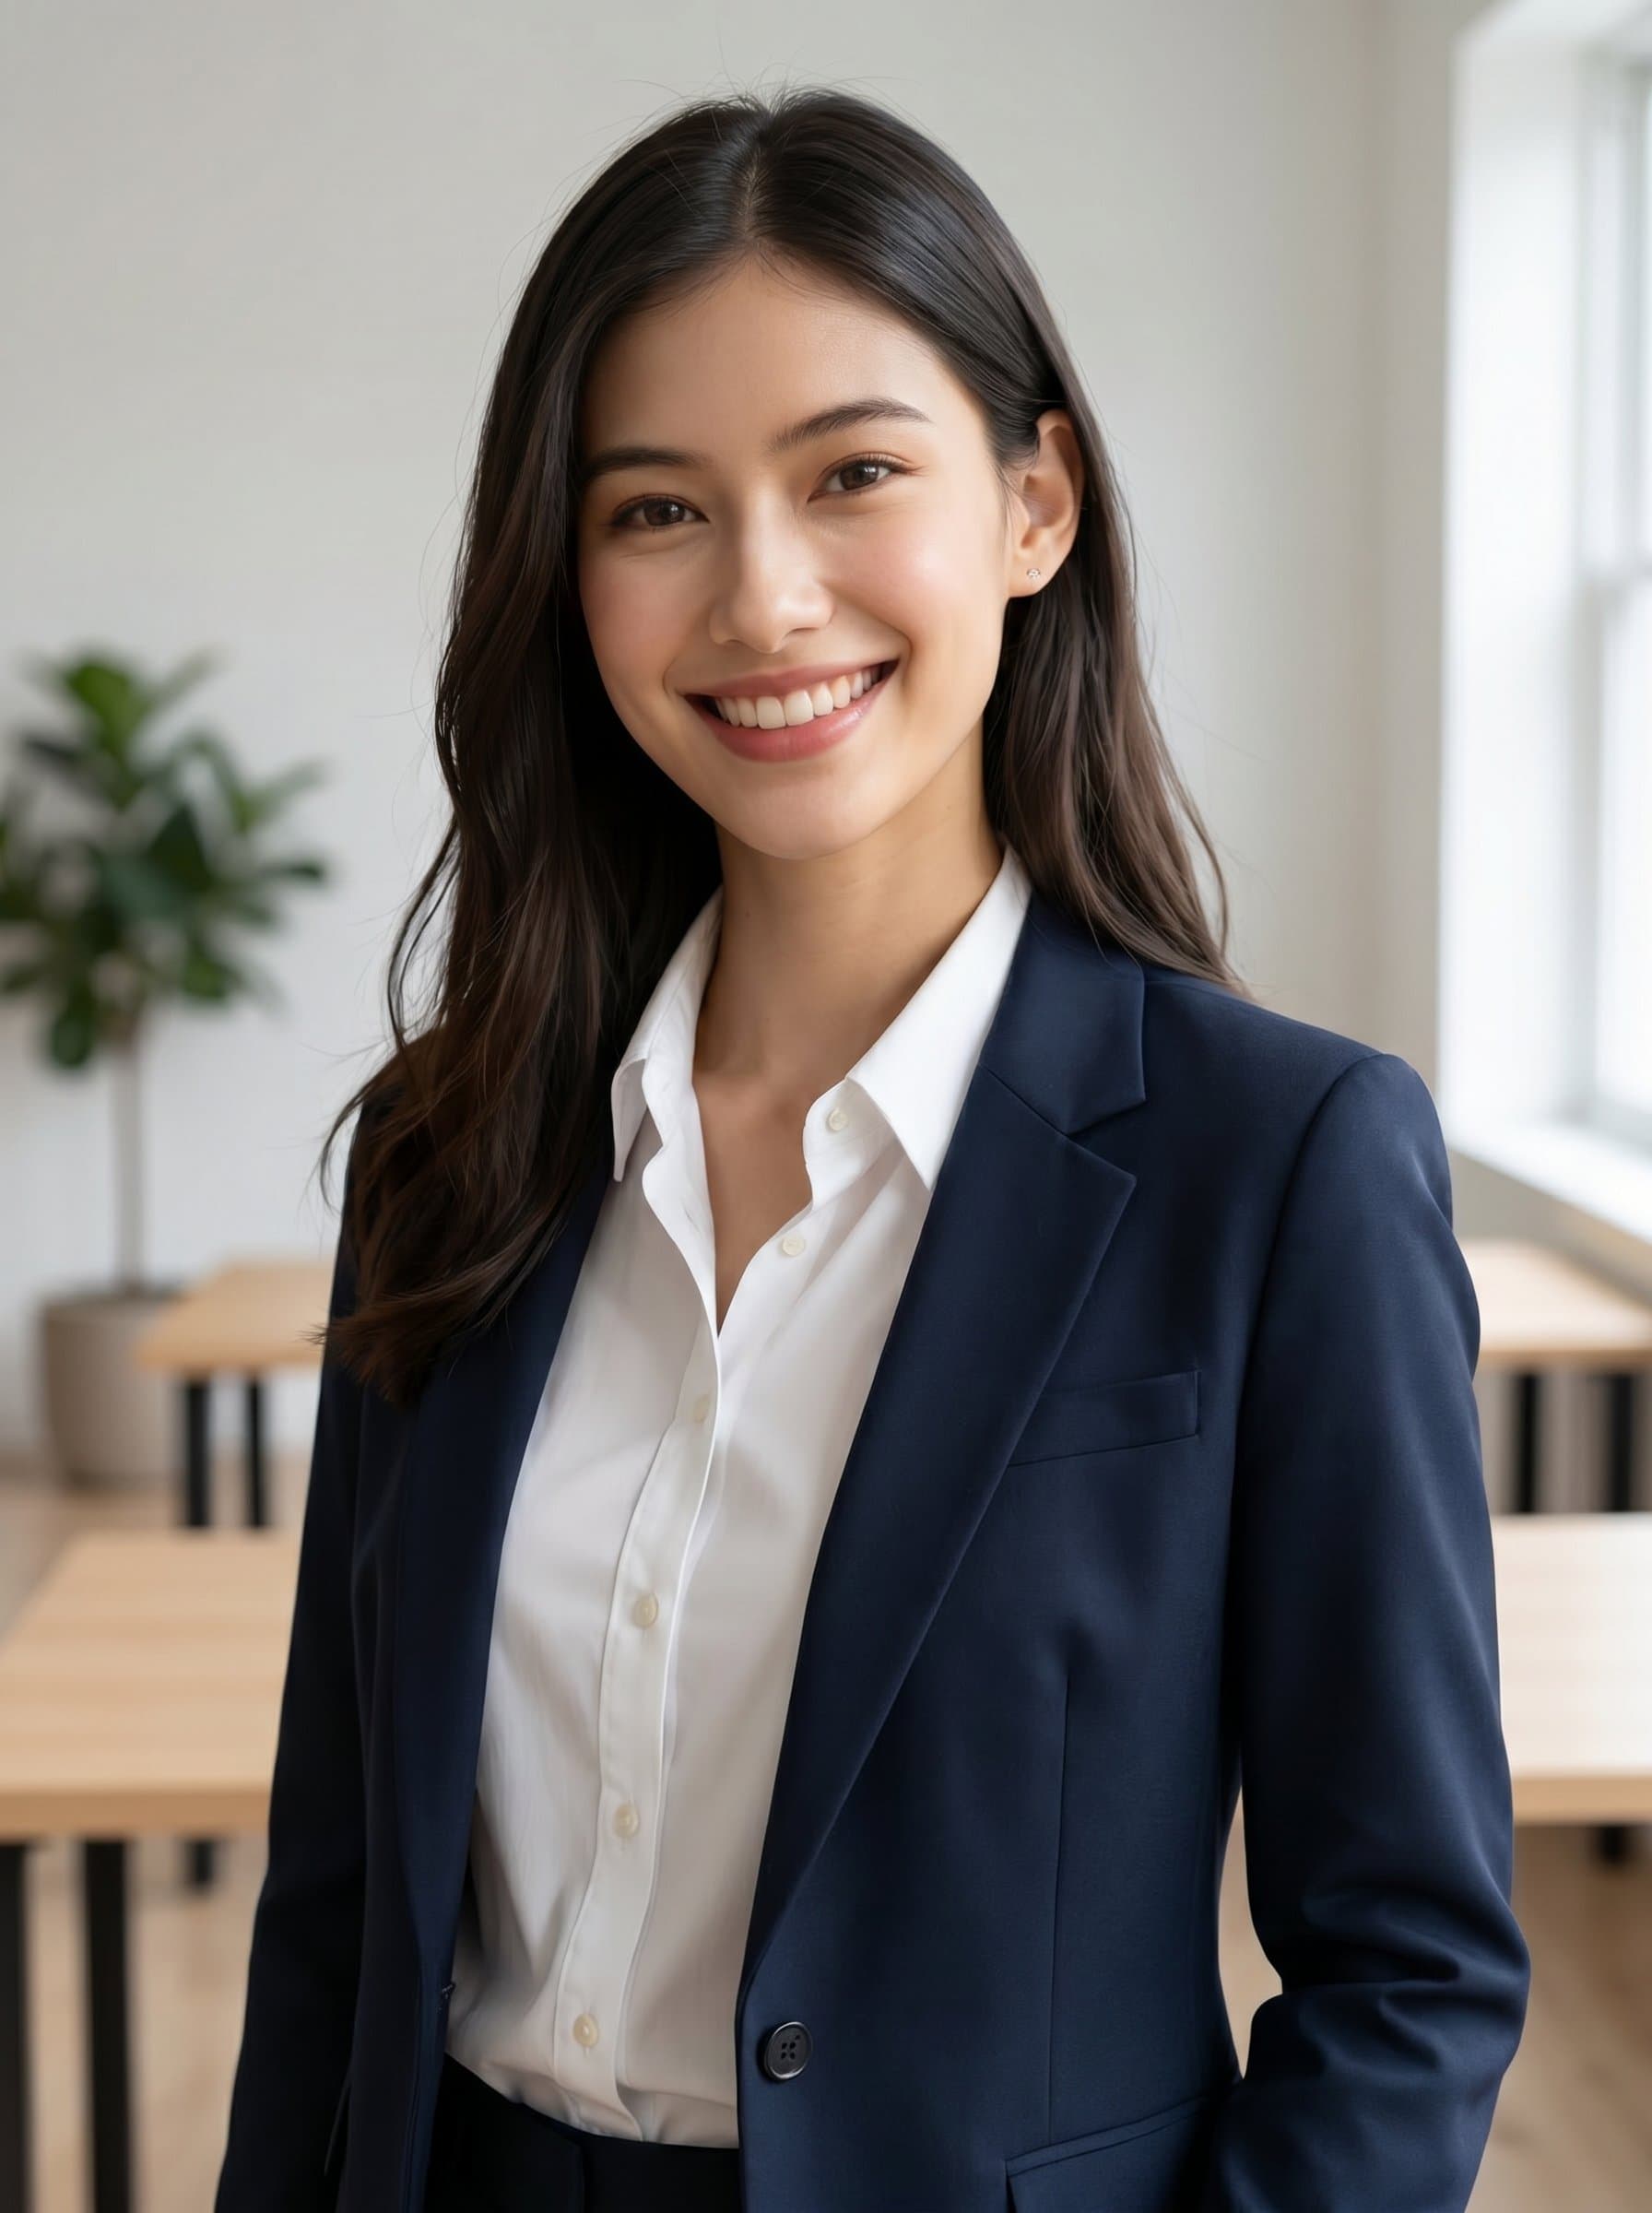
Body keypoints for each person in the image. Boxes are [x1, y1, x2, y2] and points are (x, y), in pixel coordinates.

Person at [214, 83, 1530, 2213]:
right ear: (565, 575)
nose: (762, 597)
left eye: (852, 476)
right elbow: (335, 1903)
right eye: (653, 511)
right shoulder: (448, 1152)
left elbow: (1408, 1978)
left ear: (1034, 504)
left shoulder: (1276, 1168)